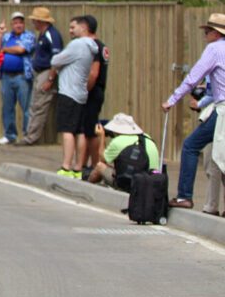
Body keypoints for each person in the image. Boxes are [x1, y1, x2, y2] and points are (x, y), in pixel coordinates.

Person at [163, 13, 225, 209]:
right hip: (219, 105)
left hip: (223, 110)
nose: (205, 35)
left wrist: (172, 100)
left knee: (190, 146)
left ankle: (184, 196)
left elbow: (193, 77)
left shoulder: (214, 49)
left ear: (216, 33)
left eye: (207, 31)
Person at [50, 15, 96, 178]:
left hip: (69, 92)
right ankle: (78, 167)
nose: (71, 30)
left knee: (67, 130)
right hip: (81, 93)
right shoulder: (91, 47)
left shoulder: (77, 45)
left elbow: (56, 60)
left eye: (73, 27)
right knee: (80, 131)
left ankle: (66, 166)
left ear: (83, 28)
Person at [22, 6, 63, 146]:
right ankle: (30, 134)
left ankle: (31, 138)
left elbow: (56, 58)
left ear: (41, 21)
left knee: (40, 106)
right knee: (35, 104)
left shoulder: (52, 35)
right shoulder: (43, 34)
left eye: (35, 20)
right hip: (39, 72)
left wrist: (51, 78)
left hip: (46, 72)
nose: (33, 23)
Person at [0, 11, 36, 145]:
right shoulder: (7, 37)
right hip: (6, 76)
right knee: (7, 107)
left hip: (22, 76)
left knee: (26, 108)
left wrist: (5, 50)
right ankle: (9, 135)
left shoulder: (29, 36)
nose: (18, 25)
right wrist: (0, 34)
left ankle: (27, 135)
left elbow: (21, 50)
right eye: (16, 23)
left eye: (21, 22)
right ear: (12, 24)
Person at [85, 113, 160, 188]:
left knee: (100, 166)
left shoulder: (118, 141)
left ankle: (87, 188)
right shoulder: (148, 138)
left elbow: (102, 159)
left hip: (129, 184)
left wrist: (101, 136)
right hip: (149, 185)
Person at [80, 16, 109, 178]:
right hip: (98, 90)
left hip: (92, 91)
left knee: (90, 131)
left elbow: (94, 72)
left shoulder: (93, 46)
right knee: (87, 128)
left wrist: (85, 90)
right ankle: (85, 164)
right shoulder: (102, 45)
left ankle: (95, 166)